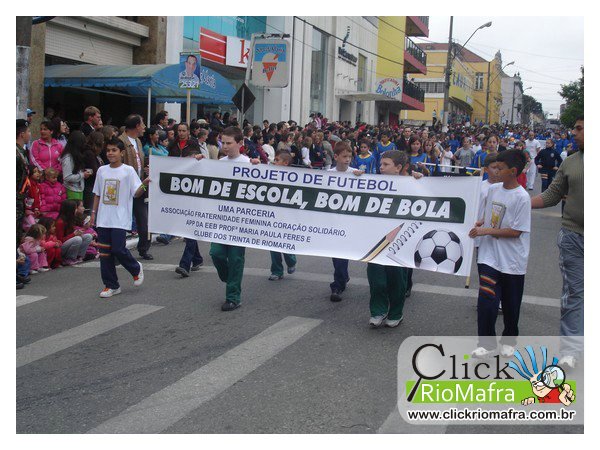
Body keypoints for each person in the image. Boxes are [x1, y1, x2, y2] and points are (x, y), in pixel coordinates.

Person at [530, 117, 584, 368]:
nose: (574, 132)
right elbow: (552, 194)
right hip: (574, 237)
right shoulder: (570, 162)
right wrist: (519, 201)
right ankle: (571, 351)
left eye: (580, 128)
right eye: (575, 128)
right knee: (574, 294)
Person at [469, 149, 530, 358]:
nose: (496, 171)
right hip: (489, 257)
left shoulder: (522, 198)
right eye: (495, 167)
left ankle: (509, 339)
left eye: (500, 168)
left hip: (512, 261)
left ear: (513, 171)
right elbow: (489, 216)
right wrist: (481, 223)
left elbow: (516, 231)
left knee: (511, 305)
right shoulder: (493, 190)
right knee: (487, 302)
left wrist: (486, 230)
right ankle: (486, 344)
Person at [205, 126, 260, 311]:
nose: (225, 146)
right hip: (221, 219)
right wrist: (197, 163)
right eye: (223, 143)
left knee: (236, 258)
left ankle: (233, 297)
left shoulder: (249, 164)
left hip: (240, 221)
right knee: (216, 253)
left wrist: (259, 168)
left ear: (240, 143)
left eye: (229, 143)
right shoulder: (219, 163)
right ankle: (230, 278)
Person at [90, 137, 148, 298]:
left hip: (120, 218)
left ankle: (135, 268)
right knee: (104, 254)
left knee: (118, 249)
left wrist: (145, 183)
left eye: (114, 150)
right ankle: (111, 285)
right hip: (103, 218)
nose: (110, 153)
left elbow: (136, 192)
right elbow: (97, 194)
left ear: (121, 153)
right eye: (108, 150)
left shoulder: (128, 171)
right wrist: (93, 213)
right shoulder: (102, 170)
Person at [368, 150, 412, 328]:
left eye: (386, 164)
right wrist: (356, 177)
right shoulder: (372, 184)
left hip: (400, 241)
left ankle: (395, 313)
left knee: (397, 280)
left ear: (398, 168)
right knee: (376, 279)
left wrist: (419, 179)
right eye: (381, 164)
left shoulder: (411, 184)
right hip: (377, 240)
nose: (381, 167)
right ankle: (378, 311)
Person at [167, 123, 205, 277]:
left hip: (192, 188)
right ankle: (197, 259)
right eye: (179, 131)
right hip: (178, 188)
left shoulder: (193, 145)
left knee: (190, 226)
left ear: (188, 132)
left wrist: (196, 158)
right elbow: (168, 164)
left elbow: (200, 163)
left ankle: (185, 264)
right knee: (186, 224)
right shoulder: (173, 145)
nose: (181, 133)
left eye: (184, 131)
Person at [328, 141, 364, 302]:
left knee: (341, 252)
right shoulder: (328, 174)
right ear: (336, 157)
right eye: (344, 156)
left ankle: (337, 285)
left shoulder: (354, 173)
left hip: (348, 220)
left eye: (349, 156)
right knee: (335, 254)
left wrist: (361, 178)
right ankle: (343, 276)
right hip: (332, 220)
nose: (347, 159)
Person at [119, 114, 153, 260]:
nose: (144, 127)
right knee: (122, 220)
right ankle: (118, 251)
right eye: (142, 124)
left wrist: (146, 169)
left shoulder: (138, 141)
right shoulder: (121, 141)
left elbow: (140, 161)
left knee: (143, 219)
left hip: (140, 185)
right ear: (137, 126)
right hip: (125, 187)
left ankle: (143, 248)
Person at [268, 150, 298, 280]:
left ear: (285, 163)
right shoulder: (270, 175)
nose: (274, 162)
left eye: (277, 160)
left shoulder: (294, 177)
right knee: (272, 244)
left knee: (285, 241)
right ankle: (277, 270)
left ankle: (291, 260)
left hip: (287, 216)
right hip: (272, 214)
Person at [56, 199, 93, 265]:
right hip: (60, 247)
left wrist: (79, 232)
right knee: (77, 239)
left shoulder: (71, 219)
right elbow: (60, 240)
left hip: (68, 243)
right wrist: (74, 234)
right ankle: (69, 258)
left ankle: (79, 256)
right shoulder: (60, 222)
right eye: (75, 208)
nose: (76, 210)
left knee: (88, 236)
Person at [60, 130, 92, 200]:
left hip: (79, 188)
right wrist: (82, 175)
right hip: (71, 189)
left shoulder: (76, 155)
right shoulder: (68, 158)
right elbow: (67, 177)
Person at [17, 119, 31, 247]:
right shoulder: (16, 153)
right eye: (28, 131)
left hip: (21, 198)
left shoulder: (22, 151)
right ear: (22, 134)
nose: (29, 134)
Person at [23, 166, 42, 232]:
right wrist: (27, 209)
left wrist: (36, 208)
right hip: (28, 211)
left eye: (38, 171)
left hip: (34, 210)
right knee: (33, 227)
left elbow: (37, 198)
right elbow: (27, 198)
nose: (37, 173)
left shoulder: (37, 185)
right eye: (34, 172)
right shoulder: (28, 184)